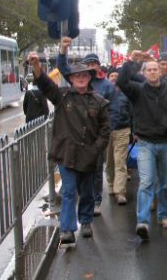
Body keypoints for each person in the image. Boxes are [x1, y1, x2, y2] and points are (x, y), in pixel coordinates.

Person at [28, 53, 110, 246]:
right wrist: (36, 65)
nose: (80, 78)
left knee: (87, 191)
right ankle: (67, 229)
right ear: (71, 79)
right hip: (66, 153)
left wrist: (96, 149)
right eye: (76, 76)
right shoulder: (62, 96)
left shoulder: (100, 101)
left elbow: (106, 130)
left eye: (84, 75)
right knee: (69, 191)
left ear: (89, 78)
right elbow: (45, 84)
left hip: (89, 155)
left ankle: (86, 221)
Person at [117, 52, 167, 241]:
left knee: (165, 183)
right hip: (146, 143)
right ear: (144, 72)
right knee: (147, 181)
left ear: (160, 71)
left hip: (166, 143)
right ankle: (142, 221)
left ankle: (164, 215)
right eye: (148, 69)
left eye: (155, 69)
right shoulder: (138, 90)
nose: (152, 72)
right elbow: (122, 81)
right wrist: (133, 61)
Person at [58, 37, 115, 216]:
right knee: (74, 185)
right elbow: (63, 68)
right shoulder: (75, 84)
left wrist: (99, 144)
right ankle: (73, 222)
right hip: (75, 144)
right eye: (87, 63)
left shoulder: (106, 86)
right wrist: (62, 51)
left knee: (96, 173)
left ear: (97, 68)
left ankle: (95, 201)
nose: (90, 66)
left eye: (93, 63)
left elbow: (111, 112)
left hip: (94, 140)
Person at [105, 69, 133, 206]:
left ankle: (120, 191)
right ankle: (110, 184)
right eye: (112, 76)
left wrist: (134, 132)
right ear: (108, 78)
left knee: (120, 162)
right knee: (109, 161)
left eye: (117, 76)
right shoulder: (103, 94)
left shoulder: (126, 95)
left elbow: (132, 113)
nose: (114, 78)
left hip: (123, 130)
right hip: (106, 131)